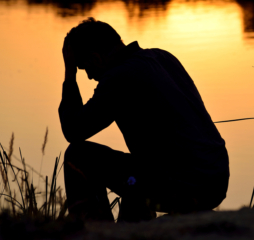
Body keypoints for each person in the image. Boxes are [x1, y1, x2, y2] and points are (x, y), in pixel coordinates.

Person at [59, 17, 229, 222]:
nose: (89, 77)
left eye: (84, 68)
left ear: (95, 57)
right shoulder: (163, 57)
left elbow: (73, 131)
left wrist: (69, 75)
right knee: (138, 176)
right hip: (214, 181)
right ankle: (136, 221)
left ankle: (95, 234)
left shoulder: (119, 77)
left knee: (78, 155)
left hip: (183, 186)